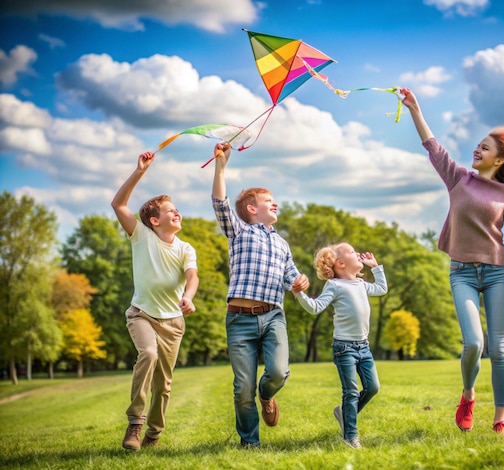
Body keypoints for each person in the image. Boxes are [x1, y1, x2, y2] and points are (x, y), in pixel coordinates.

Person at [399, 87, 504, 434]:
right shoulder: (458, 177)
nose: (477, 149)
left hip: (498, 274)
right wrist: (415, 110)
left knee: (499, 349)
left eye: (485, 147)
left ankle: (500, 419)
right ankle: (468, 394)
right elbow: (433, 147)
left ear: (499, 160)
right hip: (462, 274)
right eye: (478, 144)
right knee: (474, 342)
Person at [211, 142, 309, 448]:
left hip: (272, 316)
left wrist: (301, 282)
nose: (276, 204)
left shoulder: (283, 245)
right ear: (252, 209)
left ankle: (267, 395)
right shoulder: (239, 231)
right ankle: (250, 443)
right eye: (270, 201)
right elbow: (220, 202)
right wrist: (221, 165)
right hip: (239, 320)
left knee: (278, 372)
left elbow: (292, 277)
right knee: (242, 388)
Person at [112, 151, 199, 450]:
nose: (177, 213)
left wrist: (187, 298)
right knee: (147, 353)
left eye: (177, 209)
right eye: (170, 210)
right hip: (142, 315)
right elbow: (118, 204)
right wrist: (140, 172)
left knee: (164, 385)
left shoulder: (186, 248)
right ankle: (135, 423)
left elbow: (192, 276)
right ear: (153, 219)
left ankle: (154, 433)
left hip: (173, 323)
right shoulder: (141, 236)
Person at [292, 243, 387, 449]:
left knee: (372, 388)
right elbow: (315, 307)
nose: (358, 253)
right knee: (351, 392)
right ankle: (350, 437)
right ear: (341, 263)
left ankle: (343, 413)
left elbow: (381, 288)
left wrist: (375, 267)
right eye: (353, 252)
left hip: (364, 347)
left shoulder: (361, 284)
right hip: (344, 348)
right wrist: (299, 294)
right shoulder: (335, 286)